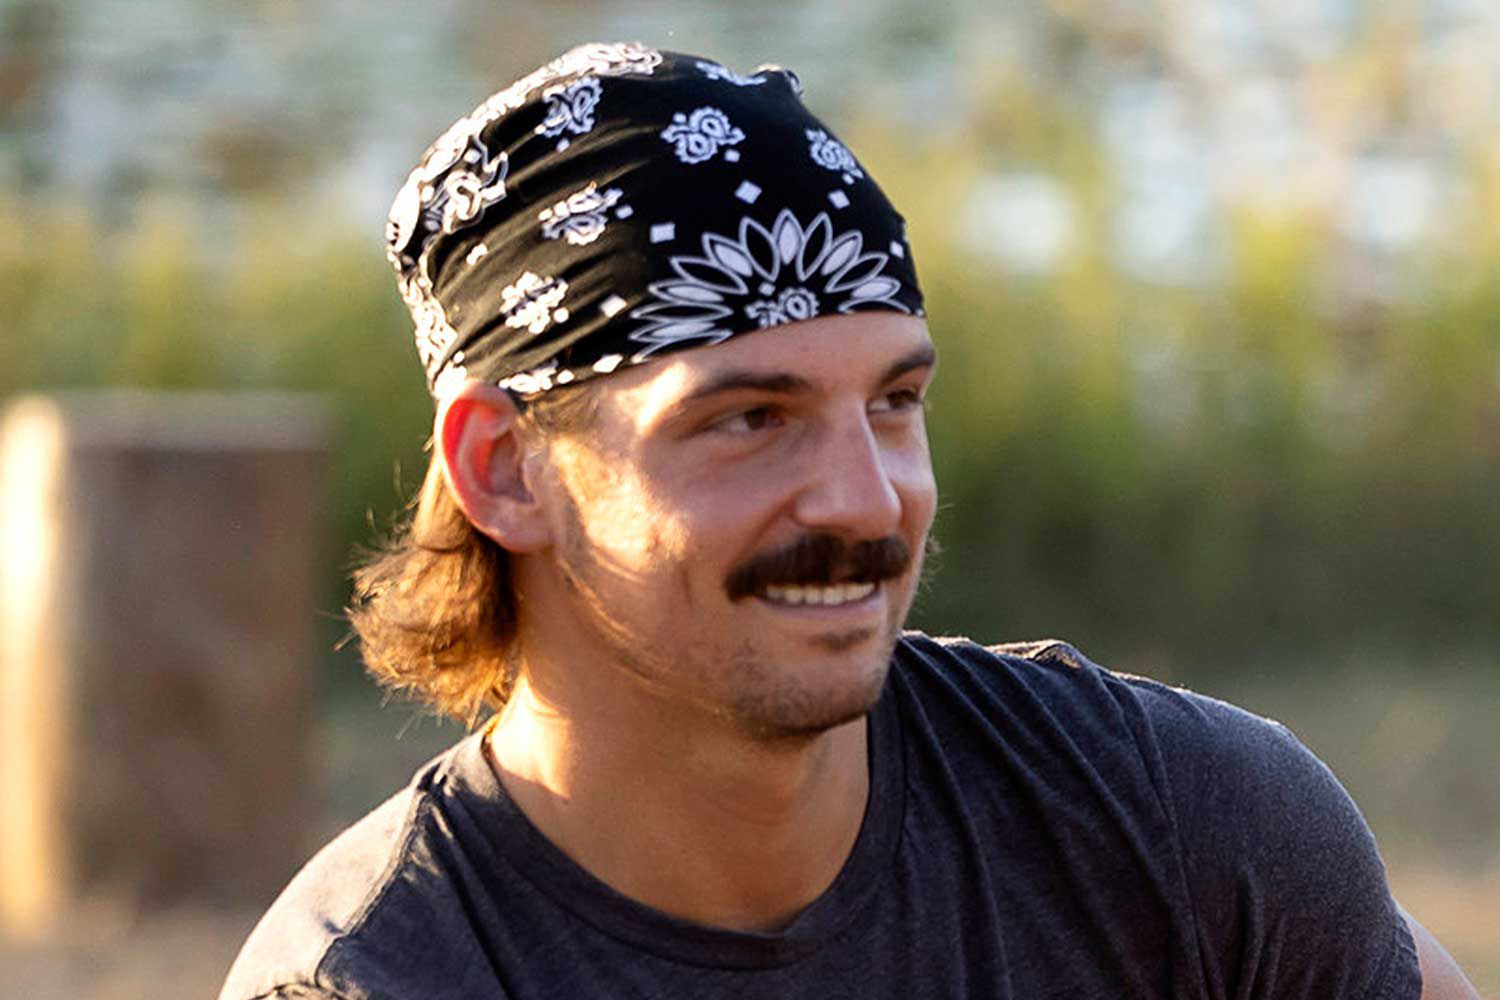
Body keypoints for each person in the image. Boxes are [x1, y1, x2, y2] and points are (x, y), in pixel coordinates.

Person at [220, 43, 1480, 1000]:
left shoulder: (1175, 827)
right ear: (503, 471)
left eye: (892, 402)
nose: (867, 500)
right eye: (748, 418)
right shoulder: (381, 977)